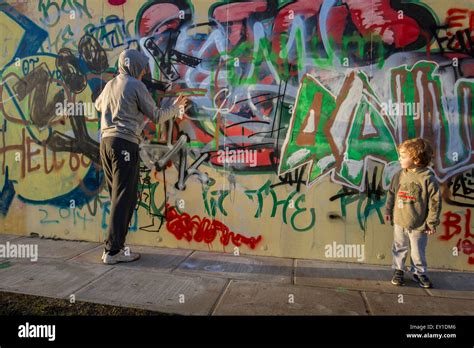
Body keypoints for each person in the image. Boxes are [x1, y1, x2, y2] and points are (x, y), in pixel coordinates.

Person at [94, 49, 187, 265]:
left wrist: (118, 110)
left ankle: (116, 247)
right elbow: (156, 115)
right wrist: (176, 107)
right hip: (125, 144)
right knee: (124, 197)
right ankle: (112, 250)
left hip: (106, 144)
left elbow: (98, 105)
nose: (145, 70)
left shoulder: (110, 85)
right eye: (143, 66)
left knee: (118, 196)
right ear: (133, 65)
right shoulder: (136, 85)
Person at [384, 138, 441, 288]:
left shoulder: (428, 178)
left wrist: (431, 222)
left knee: (418, 251)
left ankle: (419, 273)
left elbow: (435, 203)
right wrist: (388, 210)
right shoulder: (399, 175)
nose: (399, 159)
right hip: (400, 220)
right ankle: (398, 270)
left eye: (403, 157)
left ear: (415, 160)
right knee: (399, 247)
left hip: (419, 224)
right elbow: (391, 193)